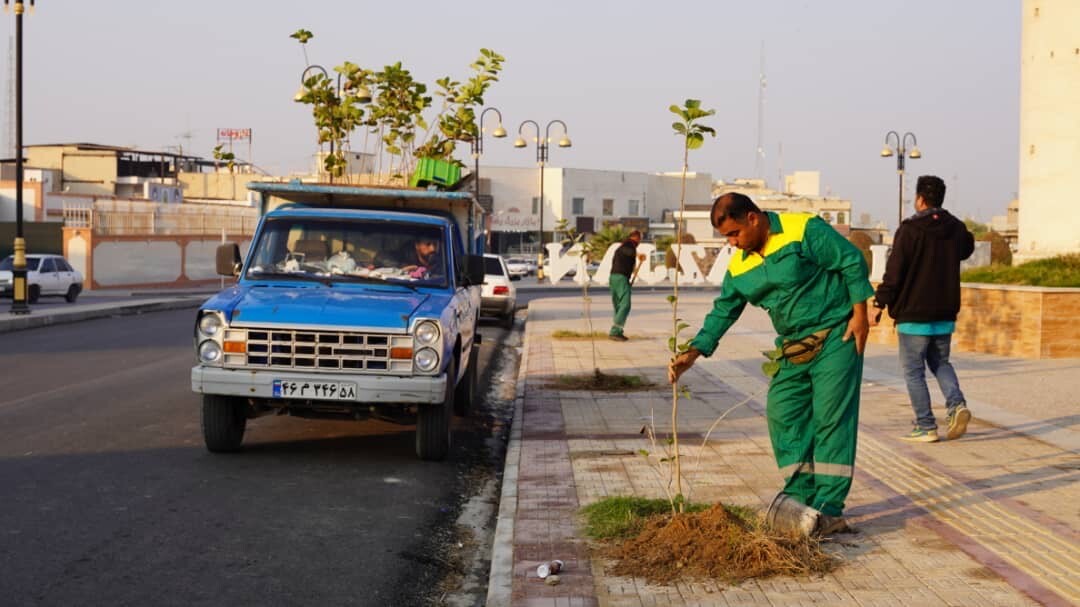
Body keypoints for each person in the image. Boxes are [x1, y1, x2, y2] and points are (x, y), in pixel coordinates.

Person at [667, 193, 874, 535]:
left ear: (753, 218)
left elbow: (850, 261)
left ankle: (830, 509)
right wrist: (693, 352)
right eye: (726, 238)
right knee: (783, 412)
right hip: (792, 347)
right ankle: (801, 496)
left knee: (831, 419)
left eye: (734, 234)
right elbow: (725, 310)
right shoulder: (740, 265)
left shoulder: (802, 228)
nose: (732, 243)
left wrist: (860, 315)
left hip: (837, 335)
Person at [872, 175, 974, 443]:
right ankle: (956, 404)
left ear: (919, 199)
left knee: (913, 370)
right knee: (941, 362)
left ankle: (926, 425)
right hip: (944, 312)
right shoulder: (956, 228)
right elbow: (967, 248)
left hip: (913, 313)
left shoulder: (909, 229)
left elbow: (894, 272)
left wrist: (879, 302)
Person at [608, 229, 646, 342]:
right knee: (625, 305)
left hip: (614, 277)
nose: (639, 242)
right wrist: (639, 255)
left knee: (619, 306)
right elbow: (628, 251)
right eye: (640, 239)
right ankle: (614, 331)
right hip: (620, 278)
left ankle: (618, 331)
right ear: (636, 238)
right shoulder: (629, 245)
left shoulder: (622, 246)